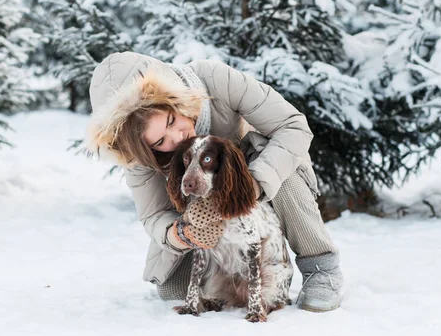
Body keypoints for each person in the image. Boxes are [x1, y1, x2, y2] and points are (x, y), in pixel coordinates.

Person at [86, 51, 344, 312]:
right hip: (201, 213)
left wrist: (252, 184)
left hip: (259, 180)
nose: (177, 138)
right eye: (160, 142)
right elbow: (153, 215)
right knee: (172, 290)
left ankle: (320, 267)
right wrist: (179, 235)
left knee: (283, 171)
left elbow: (293, 125)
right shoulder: (137, 156)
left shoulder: (216, 79)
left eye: (173, 120)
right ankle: (228, 276)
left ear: (176, 98)